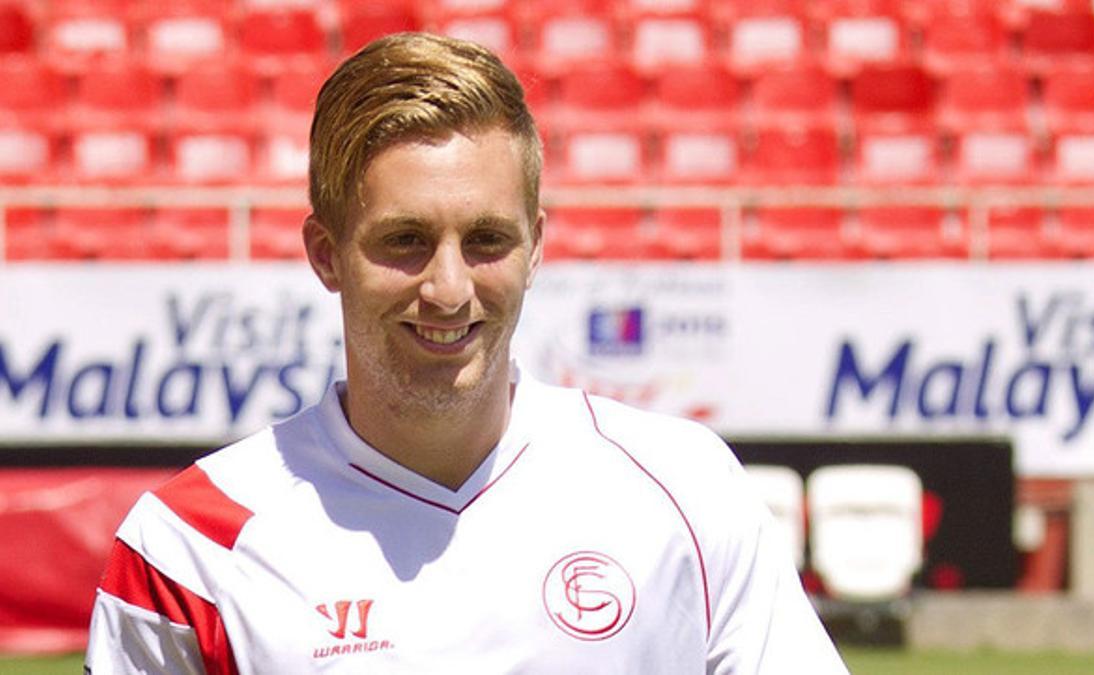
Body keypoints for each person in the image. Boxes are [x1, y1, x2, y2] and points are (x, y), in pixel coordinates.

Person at [85, 32, 848, 674]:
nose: (449, 289)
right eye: (405, 241)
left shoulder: (687, 488)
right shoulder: (188, 546)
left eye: (486, 240)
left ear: (537, 246)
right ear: (325, 253)